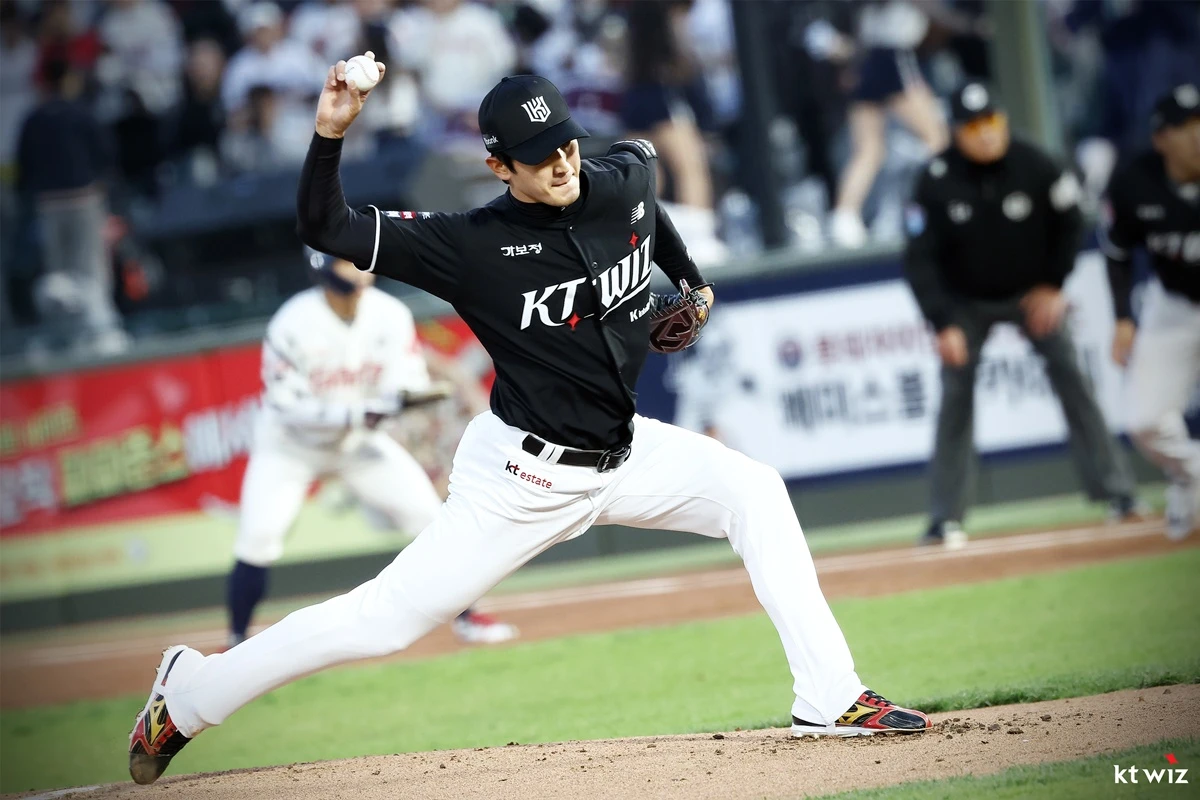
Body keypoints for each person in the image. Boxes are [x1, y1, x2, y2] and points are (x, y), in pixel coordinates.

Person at [127, 60, 931, 786]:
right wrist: (330, 132)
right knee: (382, 622)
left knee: (754, 492)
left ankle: (829, 696)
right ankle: (190, 693)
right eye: (540, 155)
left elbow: (647, 202)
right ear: (499, 167)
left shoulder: (620, 175)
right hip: (520, 477)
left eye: (566, 144)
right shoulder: (469, 246)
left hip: (624, 453)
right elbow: (326, 228)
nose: (563, 162)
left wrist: (692, 281)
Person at [226, 246, 519, 649]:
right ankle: (236, 638)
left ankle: (470, 617)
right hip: (290, 447)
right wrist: (360, 411)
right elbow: (287, 407)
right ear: (323, 265)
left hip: (359, 444)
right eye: (347, 260)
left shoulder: (388, 313)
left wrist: (404, 397)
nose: (360, 268)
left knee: (431, 519)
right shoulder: (292, 322)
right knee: (259, 536)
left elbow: (406, 379)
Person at [904, 83, 1141, 548]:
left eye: (992, 121)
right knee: (955, 394)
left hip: (1032, 294)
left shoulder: (1036, 163)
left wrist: (1053, 285)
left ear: (1004, 121)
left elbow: (1071, 224)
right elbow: (920, 260)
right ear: (957, 132)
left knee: (1072, 376)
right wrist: (943, 322)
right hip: (966, 304)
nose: (986, 133)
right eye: (974, 126)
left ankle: (1120, 493)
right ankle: (945, 517)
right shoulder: (935, 178)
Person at [1102, 83, 1200, 541]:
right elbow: (1118, 252)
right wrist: (1123, 317)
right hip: (1173, 304)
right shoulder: (1134, 182)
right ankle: (1189, 473)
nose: (1196, 136)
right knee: (1143, 423)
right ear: (1161, 139)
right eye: (1184, 127)